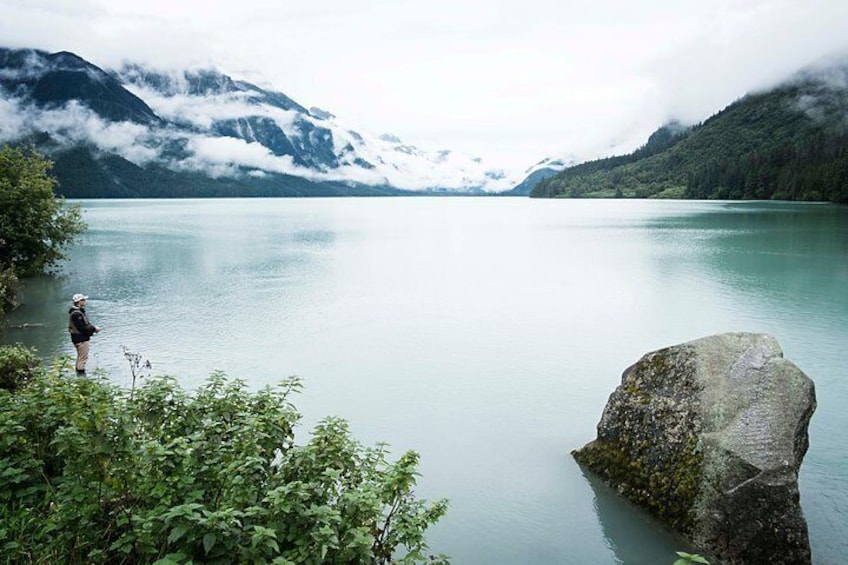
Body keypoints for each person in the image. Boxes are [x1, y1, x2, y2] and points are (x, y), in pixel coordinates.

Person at [68, 293, 101, 376]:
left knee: (80, 358)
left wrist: (92, 329)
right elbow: (83, 328)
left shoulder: (77, 312)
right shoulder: (76, 314)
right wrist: (94, 329)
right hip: (81, 340)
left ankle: (78, 376)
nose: (85, 301)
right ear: (79, 302)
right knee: (83, 359)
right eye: (83, 300)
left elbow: (84, 326)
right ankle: (81, 378)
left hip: (79, 339)